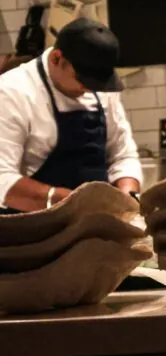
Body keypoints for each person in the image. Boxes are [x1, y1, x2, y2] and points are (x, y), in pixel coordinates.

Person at [0, 18, 142, 213]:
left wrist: (127, 198)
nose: (88, 89)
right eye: (82, 80)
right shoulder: (11, 92)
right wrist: (72, 204)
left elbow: (122, 155)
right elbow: (2, 180)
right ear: (56, 58)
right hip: (31, 230)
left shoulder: (100, 89)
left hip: (96, 224)